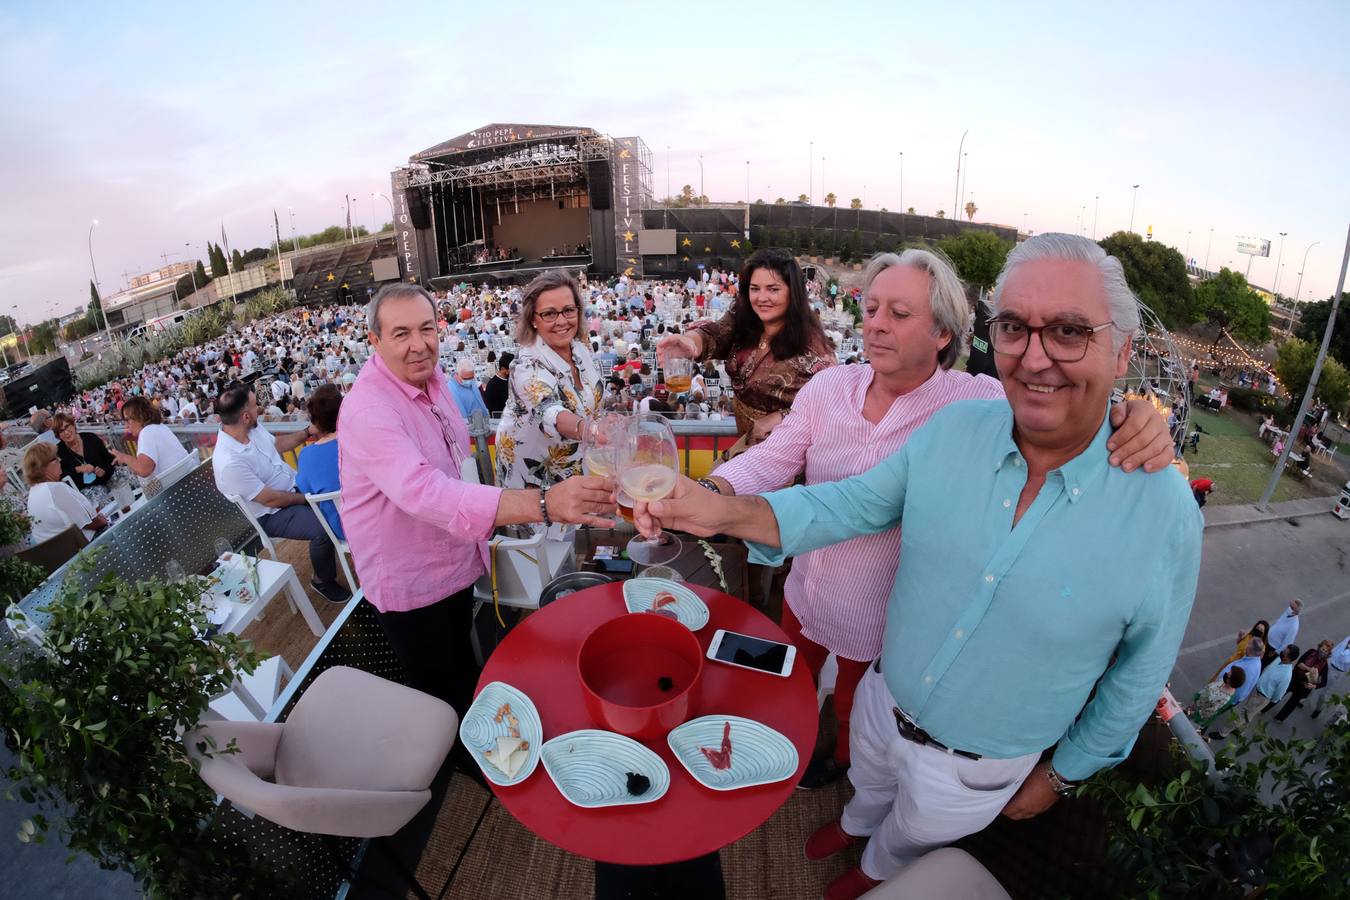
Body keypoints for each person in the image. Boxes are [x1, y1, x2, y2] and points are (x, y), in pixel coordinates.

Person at [635, 233, 1203, 898]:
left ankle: (874, 867)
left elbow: (1138, 681)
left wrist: (1060, 776)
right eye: (1016, 328)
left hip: (955, 738)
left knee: (906, 829)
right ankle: (851, 822)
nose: (1037, 355)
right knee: (859, 772)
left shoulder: (982, 412)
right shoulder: (925, 420)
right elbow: (840, 501)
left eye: (1072, 332)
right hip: (875, 672)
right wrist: (717, 502)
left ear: (944, 334)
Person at [698, 248, 1177, 790]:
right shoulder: (831, 388)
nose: (876, 325)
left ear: (944, 334)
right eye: (872, 308)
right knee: (786, 679)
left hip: (884, 621)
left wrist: (1129, 416)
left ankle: (845, 776)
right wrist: (714, 488)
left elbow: (1053, 410)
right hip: (806, 585)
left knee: (857, 715)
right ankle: (789, 750)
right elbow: (777, 453)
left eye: (899, 315)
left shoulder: (974, 406)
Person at [339, 284, 615, 721]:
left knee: (465, 666)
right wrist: (543, 503)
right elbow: (423, 491)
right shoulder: (368, 410)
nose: (418, 344)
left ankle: (481, 742)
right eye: (401, 333)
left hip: (453, 555)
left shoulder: (435, 381)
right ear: (374, 340)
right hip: (410, 577)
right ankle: (472, 772)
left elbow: (455, 464)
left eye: (427, 329)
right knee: (440, 696)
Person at [658, 248, 834, 446]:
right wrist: (690, 341)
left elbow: (832, 404)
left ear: (792, 292)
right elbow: (716, 334)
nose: (761, 297)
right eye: (755, 288)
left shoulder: (814, 347)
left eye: (773, 289)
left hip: (788, 451)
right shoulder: (743, 318)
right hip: (745, 443)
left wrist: (783, 417)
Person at [210, 381, 351, 605]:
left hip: (293, 488)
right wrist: (307, 498)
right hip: (272, 513)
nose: (260, 409)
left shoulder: (251, 429)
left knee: (333, 494)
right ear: (245, 416)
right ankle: (322, 579)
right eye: (255, 406)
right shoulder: (228, 462)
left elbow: (278, 444)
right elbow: (270, 499)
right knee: (322, 527)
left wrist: (308, 432)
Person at [494, 270, 602, 490]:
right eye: (549, 314)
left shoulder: (580, 350)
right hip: (532, 481)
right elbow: (550, 412)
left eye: (569, 310)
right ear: (533, 319)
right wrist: (594, 431)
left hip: (572, 470)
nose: (562, 321)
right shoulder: (525, 365)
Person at [23, 442, 108, 543]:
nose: (59, 460)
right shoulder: (54, 488)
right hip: (88, 547)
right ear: (43, 467)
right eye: (55, 458)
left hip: (62, 554)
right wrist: (103, 520)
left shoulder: (33, 493)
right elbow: (89, 523)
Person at [1212, 645, 1298, 739]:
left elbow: (1279, 694)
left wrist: (1267, 699)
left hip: (1262, 697)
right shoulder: (1279, 660)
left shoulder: (1286, 675)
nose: (1281, 652)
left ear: (1288, 658)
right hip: (1255, 689)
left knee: (1241, 715)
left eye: (1284, 653)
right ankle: (1240, 731)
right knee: (1249, 714)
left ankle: (1222, 733)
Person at [294, 385, 344, 541]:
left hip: (341, 528)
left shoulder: (306, 456)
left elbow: (307, 491)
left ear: (315, 422)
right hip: (379, 516)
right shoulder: (359, 438)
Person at [109, 396, 190, 480]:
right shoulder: (160, 427)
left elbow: (144, 470)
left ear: (139, 416)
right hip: (187, 478)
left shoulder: (146, 432)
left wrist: (124, 457)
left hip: (180, 484)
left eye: (127, 420)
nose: (126, 425)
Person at [50, 412, 115, 490]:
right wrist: (77, 469)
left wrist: (104, 471)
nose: (66, 432)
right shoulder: (58, 452)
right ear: (58, 436)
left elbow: (110, 461)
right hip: (82, 495)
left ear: (73, 424)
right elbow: (59, 477)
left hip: (107, 486)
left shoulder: (91, 438)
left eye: (67, 426)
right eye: (61, 431)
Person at [1273, 640, 1332, 721]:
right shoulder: (1311, 652)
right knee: (1280, 694)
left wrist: (1313, 686)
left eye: (1326, 651)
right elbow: (1299, 663)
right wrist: (1309, 669)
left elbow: (1324, 682)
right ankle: (1265, 708)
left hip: (1304, 686)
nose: (1323, 651)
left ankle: (1279, 718)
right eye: (1322, 649)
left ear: (1328, 653)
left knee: (1292, 704)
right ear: (1319, 647)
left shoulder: (1324, 664)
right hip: (1294, 678)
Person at [1188, 667, 1245, 733]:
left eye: (1229, 674)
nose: (1227, 673)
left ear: (1231, 680)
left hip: (1198, 716)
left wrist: (1193, 713)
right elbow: (1208, 688)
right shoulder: (1222, 681)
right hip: (1195, 705)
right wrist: (1196, 698)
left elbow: (1210, 711)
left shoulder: (1226, 698)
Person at [1216, 636, 1266, 707]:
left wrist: (1229, 700)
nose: (1246, 646)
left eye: (1249, 644)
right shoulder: (1252, 659)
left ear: (1251, 649)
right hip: (1222, 691)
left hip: (1223, 696)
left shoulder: (1250, 668)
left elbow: (1241, 690)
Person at [1311, 634, 1350, 718]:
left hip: (1337, 671)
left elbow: (1344, 658)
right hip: (1328, 662)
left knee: (1323, 692)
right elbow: (1339, 647)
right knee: (1314, 678)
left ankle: (1318, 709)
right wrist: (1328, 654)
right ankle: (1303, 698)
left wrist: (1348, 647)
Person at [448, 358, 490, 422]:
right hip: (472, 426)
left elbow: (479, 400)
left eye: (472, 377)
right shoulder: (451, 388)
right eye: (466, 378)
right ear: (457, 374)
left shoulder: (471, 381)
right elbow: (461, 415)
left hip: (482, 421)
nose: (469, 380)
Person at [483, 352, 513, 416]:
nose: (514, 372)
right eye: (512, 369)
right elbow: (494, 412)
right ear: (503, 369)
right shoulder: (492, 386)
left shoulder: (510, 379)